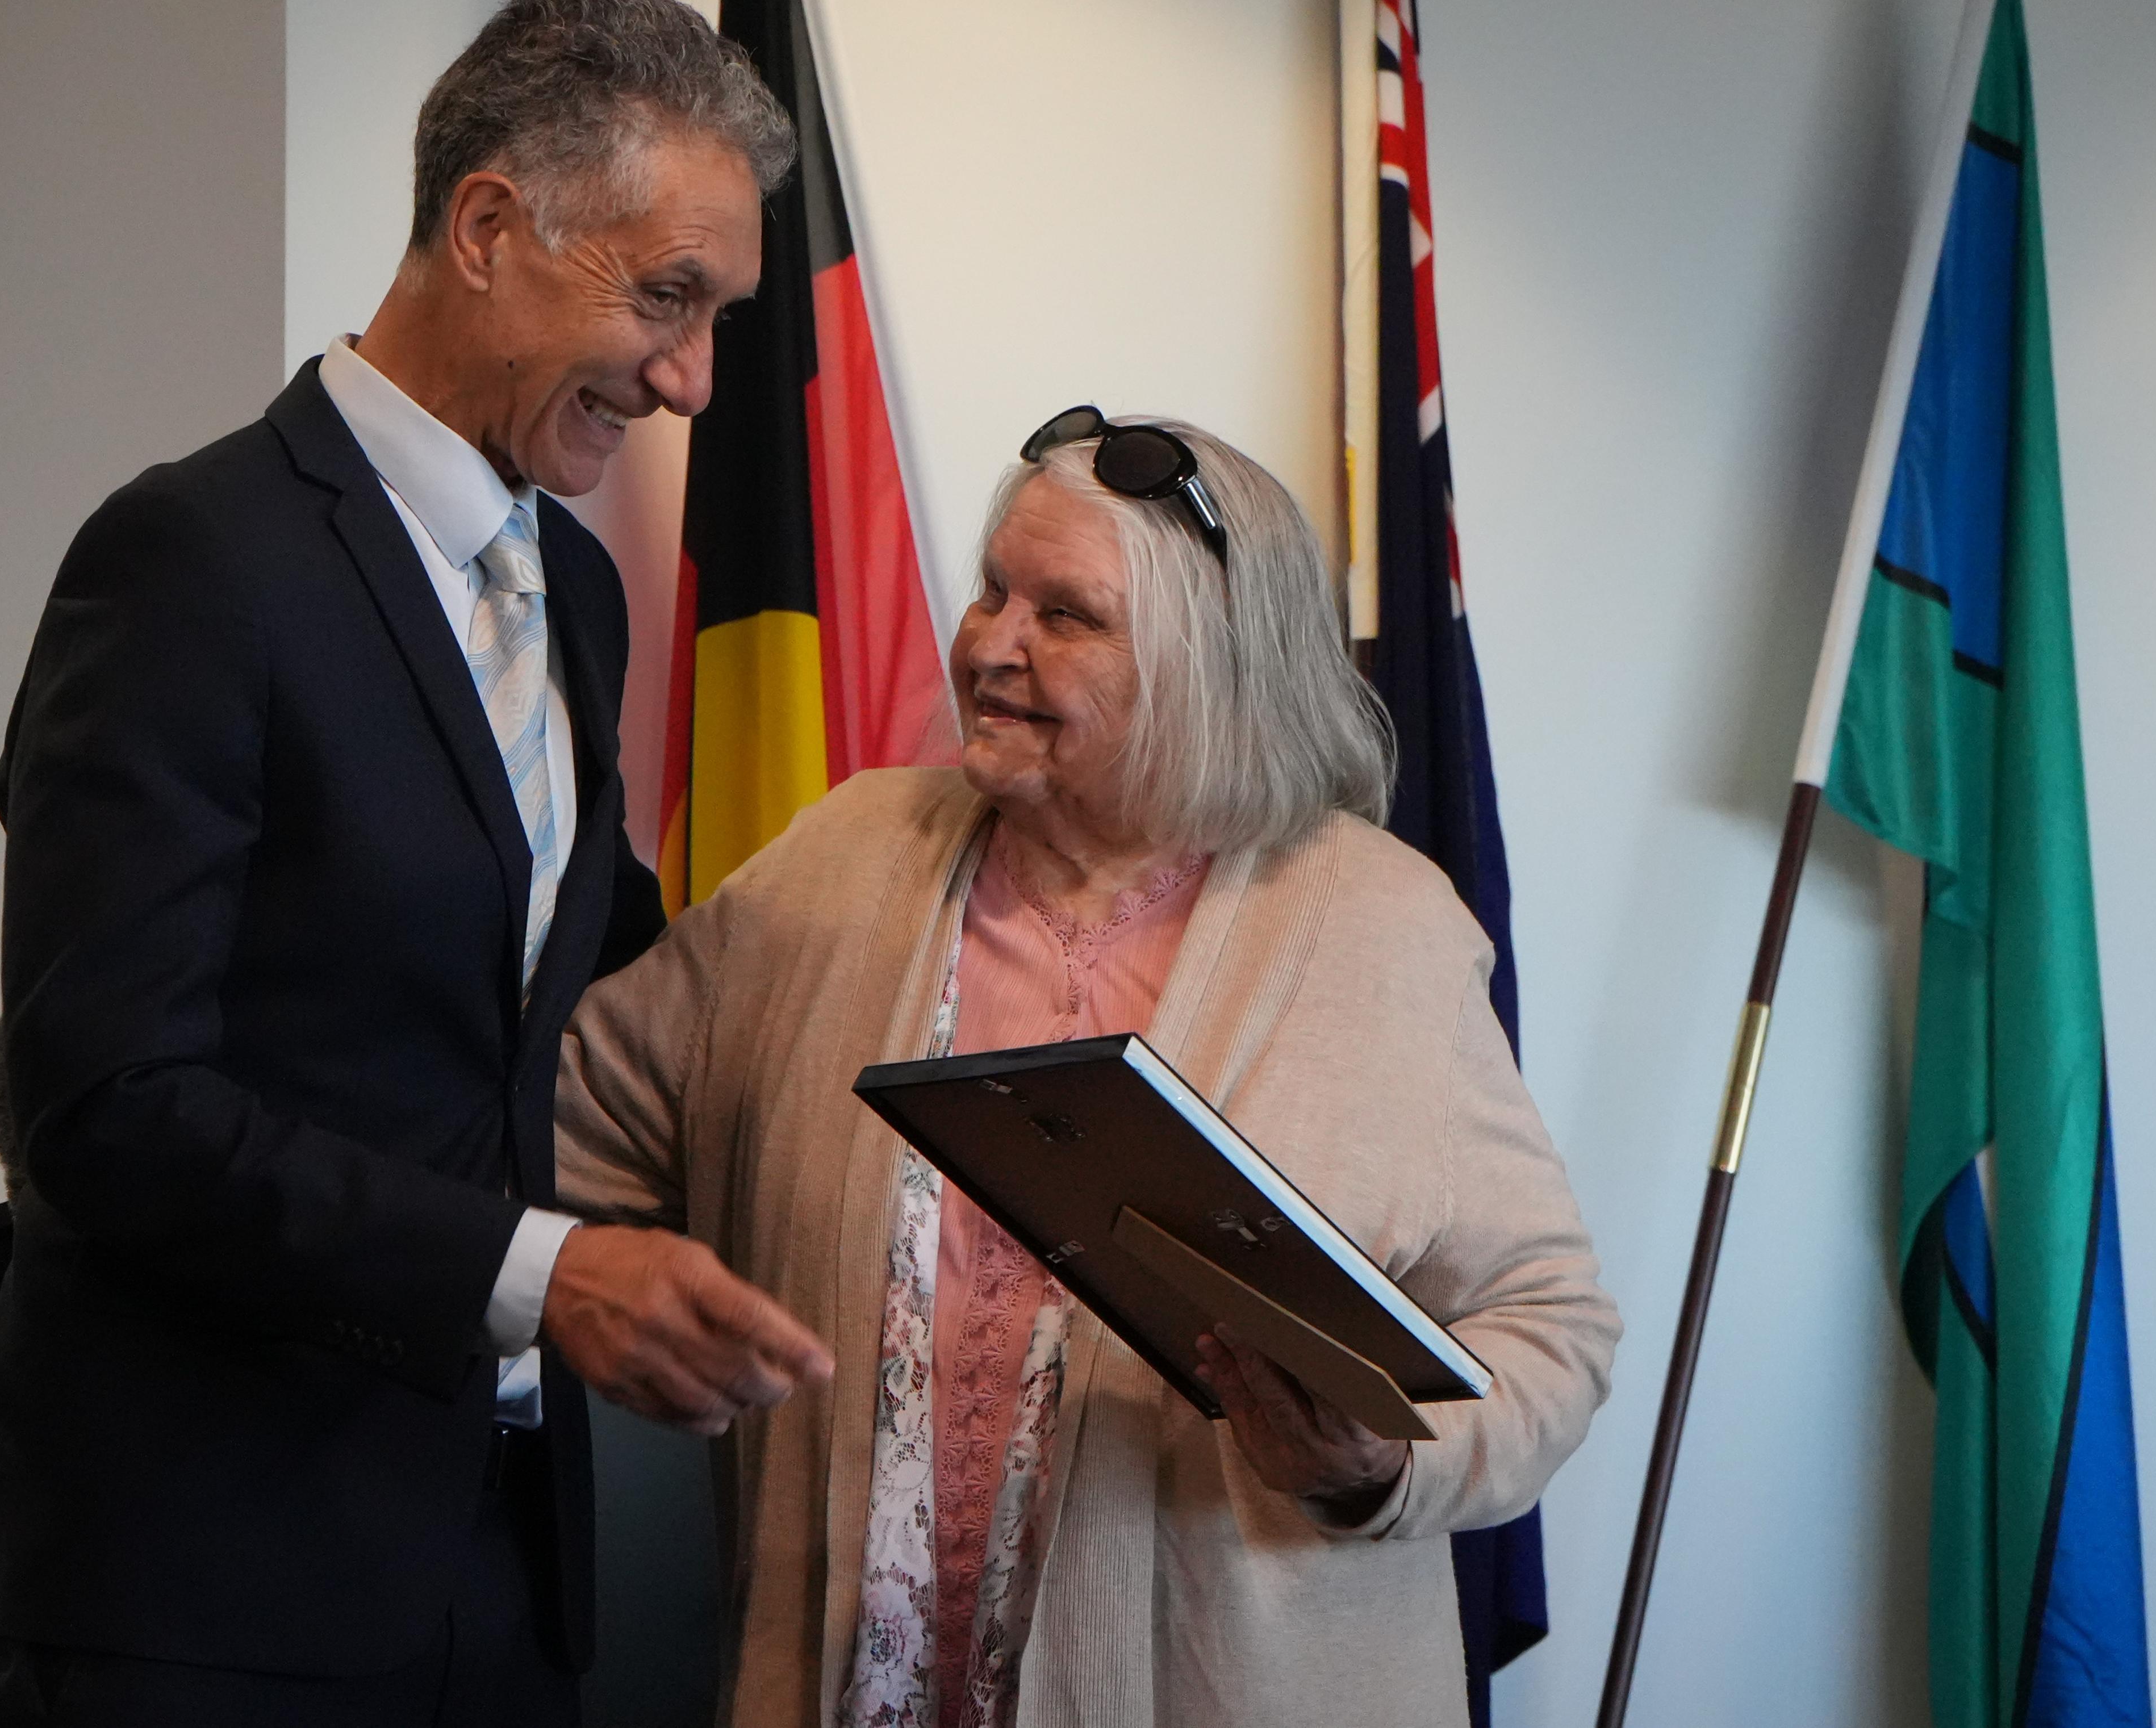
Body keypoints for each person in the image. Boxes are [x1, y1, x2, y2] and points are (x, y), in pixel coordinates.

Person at [0, 0, 834, 1728]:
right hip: (194, 1597)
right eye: (669, 299)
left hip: (499, 1582)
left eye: (719, 315)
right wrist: (540, 1272)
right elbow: (101, 1098)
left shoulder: (575, 589)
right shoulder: (193, 560)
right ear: (490, 225)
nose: (693, 379)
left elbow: (579, 985)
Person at [560, 408, 1621, 1727]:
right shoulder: (840, 858)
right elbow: (560, 1122)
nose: (993, 644)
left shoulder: (1381, 928)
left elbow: (1551, 1330)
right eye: (993, 589)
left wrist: (1383, 1460)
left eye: (1066, 615)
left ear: (1207, 664)